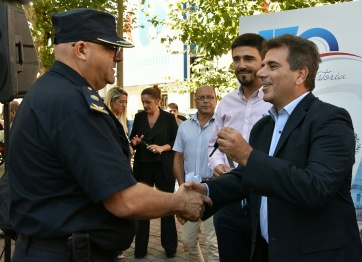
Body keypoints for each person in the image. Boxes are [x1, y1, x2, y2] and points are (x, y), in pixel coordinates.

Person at [8, 8, 211, 262]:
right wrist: (180, 203)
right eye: (110, 48)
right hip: (65, 253)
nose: (119, 58)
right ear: (81, 50)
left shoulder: (47, 92)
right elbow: (124, 200)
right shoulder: (74, 103)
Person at [186, 34, 362, 262]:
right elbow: (246, 176)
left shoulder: (331, 120)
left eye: (272, 66)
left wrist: (248, 156)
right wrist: (207, 192)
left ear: (300, 74)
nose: (260, 73)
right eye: (263, 65)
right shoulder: (264, 126)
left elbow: (316, 188)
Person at [208, 33, 270, 262]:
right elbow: (213, 145)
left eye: (248, 58)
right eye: (236, 59)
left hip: (264, 202)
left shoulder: (273, 100)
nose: (241, 65)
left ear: (263, 62)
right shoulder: (226, 103)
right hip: (228, 202)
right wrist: (217, 165)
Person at [130, 85, 179, 259]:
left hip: (163, 166)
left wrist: (161, 147)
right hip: (143, 166)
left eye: (148, 102)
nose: (145, 106)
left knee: (167, 206)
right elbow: (133, 138)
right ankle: (140, 249)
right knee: (143, 208)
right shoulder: (139, 117)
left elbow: (176, 141)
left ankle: (170, 247)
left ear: (158, 101)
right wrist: (135, 142)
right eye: (143, 102)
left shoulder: (168, 118)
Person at [173, 85, 219, 262]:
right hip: (190, 190)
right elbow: (178, 157)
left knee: (213, 243)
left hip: (214, 188)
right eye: (202, 97)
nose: (206, 100)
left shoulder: (222, 125)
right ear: (195, 100)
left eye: (210, 97)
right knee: (188, 241)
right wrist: (182, 185)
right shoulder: (184, 126)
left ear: (215, 99)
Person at [105, 86, 134, 158]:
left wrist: (130, 145)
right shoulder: (105, 119)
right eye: (121, 102)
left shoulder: (122, 120)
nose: (124, 105)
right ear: (111, 101)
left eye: (125, 102)